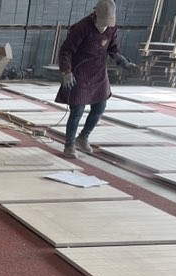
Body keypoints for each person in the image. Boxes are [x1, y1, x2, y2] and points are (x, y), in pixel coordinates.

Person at [55, 0, 138, 159]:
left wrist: (124, 62)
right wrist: (66, 72)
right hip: (79, 72)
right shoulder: (82, 28)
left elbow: (112, 48)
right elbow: (66, 51)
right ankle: (69, 145)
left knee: (100, 107)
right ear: (95, 15)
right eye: (103, 22)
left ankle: (83, 137)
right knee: (77, 110)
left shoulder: (112, 28)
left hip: (99, 72)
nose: (105, 26)